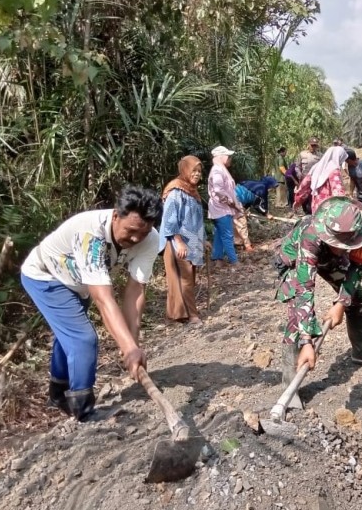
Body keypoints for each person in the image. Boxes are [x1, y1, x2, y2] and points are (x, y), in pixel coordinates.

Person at [20, 186, 162, 420]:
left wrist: (132, 343)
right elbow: (103, 299)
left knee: (68, 337)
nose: (136, 239)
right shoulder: (91, 234)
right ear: (116, 216)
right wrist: (128, 348)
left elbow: (135, 290)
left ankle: (57, 394)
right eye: (131, 231)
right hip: (46, 276)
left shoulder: (150, 239)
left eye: (143, 233)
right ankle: (83, 410)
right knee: (83, 339)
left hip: (78, 283)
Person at [274, 196, 362, 398]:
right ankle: (290, 387)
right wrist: (307, 342)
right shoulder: (310, 235)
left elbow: (357, 268)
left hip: (328, 258)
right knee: (296, 316)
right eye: (337, 243)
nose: (342, 248)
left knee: (357, 296)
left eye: (347, 243)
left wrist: (341, 303)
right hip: (294, 256)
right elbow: (305, 288)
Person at [159, 155, 206, 325]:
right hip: (176, 243)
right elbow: (170, 220)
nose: (197, 174)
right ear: (185, 170)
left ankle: (178, 314)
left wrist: (203, 240)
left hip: (191, 241)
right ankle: (192, 315)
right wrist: (178, 242)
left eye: (199, 171)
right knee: (184, 279)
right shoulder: (175, 191)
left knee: (188, 279)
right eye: (194, 170)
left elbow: (197, 220)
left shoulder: (192, 191)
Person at [207, 145, 241, 266]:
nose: (230, 158)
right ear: (221, 157)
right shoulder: (217, 170)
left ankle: (218, 259)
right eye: (228, 156)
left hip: (221, 208)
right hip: (221, 208)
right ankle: (234, 260)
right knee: (227, 235)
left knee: (219, 234)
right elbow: (218, 189)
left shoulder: (220, 169)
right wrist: (230, 202)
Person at [293, 146, 348, 214]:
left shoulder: (316, 167)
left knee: (317, 222)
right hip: (329, 207)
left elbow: (304, 186)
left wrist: (298, 200)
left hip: (316, 204)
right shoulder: (334, 170)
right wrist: (345, 207)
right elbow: (338, 191)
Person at [233, 177, 279, 252]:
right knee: (242, 223)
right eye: (273, 187)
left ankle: (238, 243)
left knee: (235, 221)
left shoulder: (255, 185)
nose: (273, 189)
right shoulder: (262, 188)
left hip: (233, 195)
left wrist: (244, 209)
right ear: (269, 185)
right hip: (236, 198)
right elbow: (257, 204)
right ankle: (247, 246)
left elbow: (248, 198)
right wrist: (266, 213)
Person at [296, 137, 323, 214]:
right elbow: (297, 166)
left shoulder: (320, 155)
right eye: (312, 145)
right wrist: (299, 174)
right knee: (304, 196)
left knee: (313, 196)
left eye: (315, 145)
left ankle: (311, 212)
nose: (313, 147)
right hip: (304, 179)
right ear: (308, 145)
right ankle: (305, 211)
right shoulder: (302, 154)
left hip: (315, 180)